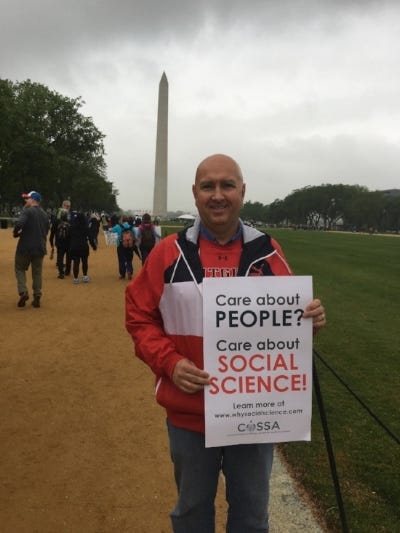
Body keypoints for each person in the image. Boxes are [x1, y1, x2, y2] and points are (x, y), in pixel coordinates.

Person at [125, 154, 327, 533]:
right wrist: (169, 362)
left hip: (253, 416)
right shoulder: (168, 252)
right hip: (189, 415)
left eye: (227, 185)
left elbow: (287, 326)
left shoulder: (268, 252)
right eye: (208, 186)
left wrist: (310, 321)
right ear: (196, 194)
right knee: (191, 513)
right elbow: (138, 316)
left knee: (251, 517)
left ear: (242, 192)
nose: (218, 195)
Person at [13, 190, 50, 308]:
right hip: (40, 248)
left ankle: (23, 291)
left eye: (27, 198)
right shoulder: (45, 214)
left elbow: (19, 224)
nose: (26, 200)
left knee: (19, 269)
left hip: (25, 247)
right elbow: (46, 231)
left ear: (33, 200)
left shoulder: (27, 211)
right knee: (37, 273)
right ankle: (37, 296)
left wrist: (15, 232)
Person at [68, 211, 97, 284]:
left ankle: (75, 278)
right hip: (84, 246)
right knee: (84, 262)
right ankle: (85, 277)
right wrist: (94, 246)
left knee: (76, 262)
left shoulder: (72, 227)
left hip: (74, 247)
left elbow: (68, 237)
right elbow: (90, 238)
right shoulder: (86, 228)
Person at [110, 215, 137, 280]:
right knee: (129, 259)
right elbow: (135, 234)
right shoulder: (131, 227)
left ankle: (122, 274)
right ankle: (129, 271)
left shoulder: (118, 226)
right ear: (127, 220)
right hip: (130, 245)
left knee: (121, 260)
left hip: (121, 245)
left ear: (122, 220)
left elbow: (111, 230)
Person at [49, 210, 71, 279]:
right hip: (68, 243)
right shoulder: (70, 223)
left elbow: (52, 235)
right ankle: (67, 271)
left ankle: (61, 273)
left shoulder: (56, 223)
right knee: (68, 257)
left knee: (60, 258)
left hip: (59, 243)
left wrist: (52, 244)